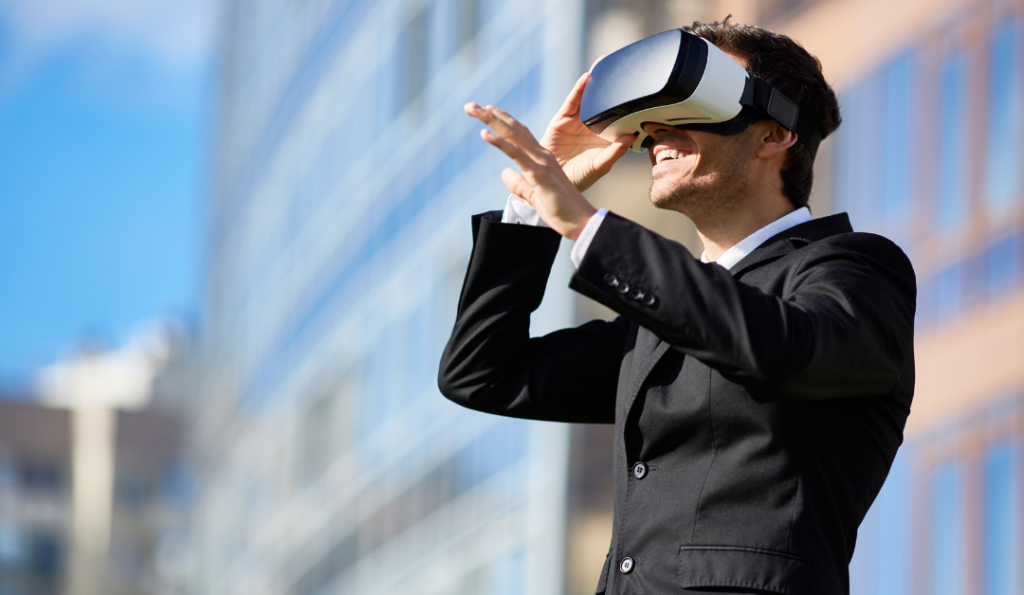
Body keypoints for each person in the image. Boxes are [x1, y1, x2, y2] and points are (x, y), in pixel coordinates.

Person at [438, 18, 915, 595]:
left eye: (693, 99)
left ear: (774, 134)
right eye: (650, 113)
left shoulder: (856, 268)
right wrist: (534, 210)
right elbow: (483, 373)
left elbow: (786, 349)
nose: (656, 129)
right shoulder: (654, 327)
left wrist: (589, 227)